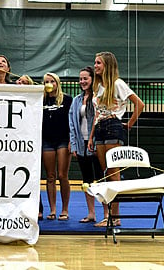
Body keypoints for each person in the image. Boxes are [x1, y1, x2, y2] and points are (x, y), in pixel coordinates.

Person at [87, 51, 145, 227]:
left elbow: (139, 104)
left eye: (98, 63)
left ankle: (115, 217)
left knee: (113, 173)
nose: (95, 66)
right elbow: (97, 114)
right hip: (100, 128)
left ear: (107, 65)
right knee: (105, 173)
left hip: (113, 126)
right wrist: (91, 137)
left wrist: (129, 123)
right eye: (95, 63)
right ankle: (108, 216)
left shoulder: (118, 84)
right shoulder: (99, 87)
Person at [69, 66, 104, 223]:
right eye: (80, 79)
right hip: (81, 144)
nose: (82, 81)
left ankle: (107, 214)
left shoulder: (98, 97)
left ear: (92, 80)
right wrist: (74, 144)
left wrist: (96, 143)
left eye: (85, 78)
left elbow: (99, 120)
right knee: (86, 181)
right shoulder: (76, 100)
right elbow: (72, 123)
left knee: (101, 180)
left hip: (96, 144)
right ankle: (91, 213)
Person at [40, 72, 73, 221]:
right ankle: (52, 209)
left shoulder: (66, 99)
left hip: (63, 140)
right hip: (47, 140)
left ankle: (65, 209)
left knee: (62, 175)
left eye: (52, 81)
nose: (49, 83)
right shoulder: (41, 100)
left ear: (57, 83)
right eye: (46, 81)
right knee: (50, 176)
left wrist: (72, 140)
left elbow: (72, 121)